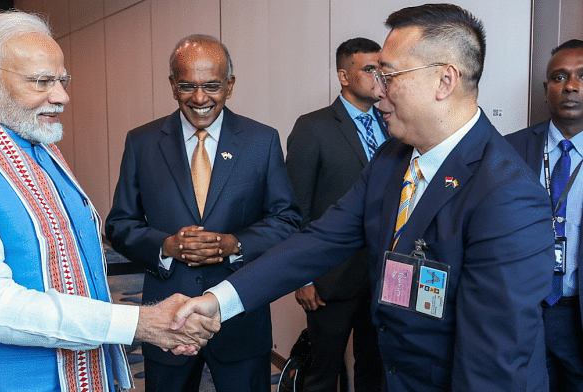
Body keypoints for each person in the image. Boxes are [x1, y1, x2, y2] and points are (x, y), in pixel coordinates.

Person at [175, 4, 555, 391]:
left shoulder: (508, 197)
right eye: (375, 75)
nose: (378, 91)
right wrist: (219, 300)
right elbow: (320, 240)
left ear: (445, 80)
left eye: (388, 75)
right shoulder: (392, 159)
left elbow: (492, 367)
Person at [0, 11, 218, 391]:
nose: (62, 97)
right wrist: (141, 323)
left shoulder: (36, 147)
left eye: (61, 80)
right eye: (42, 81)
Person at [105, 34, 301, 391]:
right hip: (167, 320)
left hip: (240, 315)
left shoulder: (262, 140)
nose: (199, 98)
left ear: (230, 85)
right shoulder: (142, 141)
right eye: (187, 86)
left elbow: (286, 220)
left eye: (212, 86)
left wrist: (234, 244)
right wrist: (165, 246)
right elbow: (119, 224)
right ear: (171, 85)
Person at [286, 37, 385, 392]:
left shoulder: (392, 123)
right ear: (344, 76)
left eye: (383, 69)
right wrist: (303, 277)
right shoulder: (313, 127)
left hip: (383, 276)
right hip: (330, 278)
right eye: (370, 69)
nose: (379, 77)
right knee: (322, 375)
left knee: (375, 371)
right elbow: (295, 207)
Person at [506, 39, 583, 391]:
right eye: (559, 77)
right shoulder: (509, 149)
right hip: (523, 308)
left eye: (582, 76)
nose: (570, 86)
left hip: (576, 312)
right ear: (546, 89)